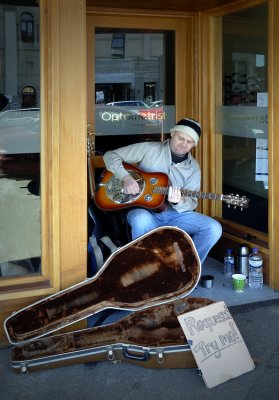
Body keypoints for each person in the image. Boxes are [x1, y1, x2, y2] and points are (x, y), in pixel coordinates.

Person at [103, 117, 222, 264]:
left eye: (190, 142)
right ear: (172, 134)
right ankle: (141, 267)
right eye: (181, 138)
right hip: (143, 211)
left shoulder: (193, 167)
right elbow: (110, 155)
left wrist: (178, 202)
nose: (184, 144)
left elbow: (192, 203)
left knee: (213, 228)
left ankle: (185, 269)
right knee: (141, 220)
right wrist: (126, 177)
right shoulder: (149, 149)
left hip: (173, 214)